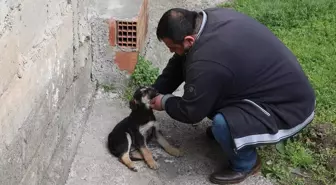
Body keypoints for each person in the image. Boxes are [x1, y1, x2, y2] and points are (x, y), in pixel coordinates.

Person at [149, 7, 316, 184]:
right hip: (271, 87)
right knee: (204, 87)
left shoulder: (207, 60)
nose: (170, 52)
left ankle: (246, 164)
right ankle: (237, 133)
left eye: (173, 47)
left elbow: (191, 112)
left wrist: (164, 101)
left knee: (222, 124)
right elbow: (179, 62)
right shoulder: (207, 20)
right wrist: (155, 89)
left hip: (290, 109)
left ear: (189, 39)